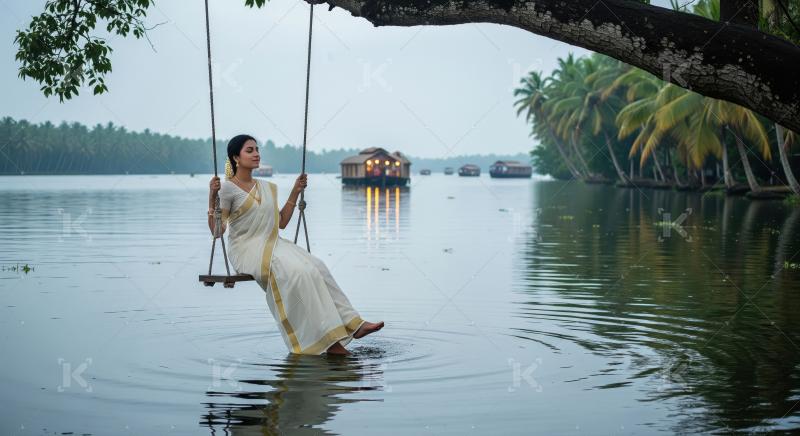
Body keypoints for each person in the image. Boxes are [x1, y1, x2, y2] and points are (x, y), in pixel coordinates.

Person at [208, 134, 384, 355]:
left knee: (316, 267)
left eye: (257, 149)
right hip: (246, 249)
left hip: (273, 243)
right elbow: (217, 232)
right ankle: (328, 343)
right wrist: (211, 197)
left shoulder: (267, 187)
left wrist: (294, 192)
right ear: (235, 157)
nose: (256, 154)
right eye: (250, 150)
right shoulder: (226, 189)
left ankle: (353, 324)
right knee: (296, 273)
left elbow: (280, 222)